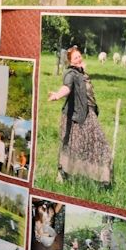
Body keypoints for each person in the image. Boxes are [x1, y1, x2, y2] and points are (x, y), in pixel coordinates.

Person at [48, 46, 113, 185]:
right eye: (75, 57)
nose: (79, 59)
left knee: (95, 144)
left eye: (79, 56)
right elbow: (66, 87)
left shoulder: (80, 71)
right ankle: (63, 174)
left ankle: (98, 178)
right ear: (70, 61)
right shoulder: (70, 73)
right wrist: (58, 95)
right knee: (73, 146)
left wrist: (83, 69)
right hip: (75, 116)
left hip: (88, 114)